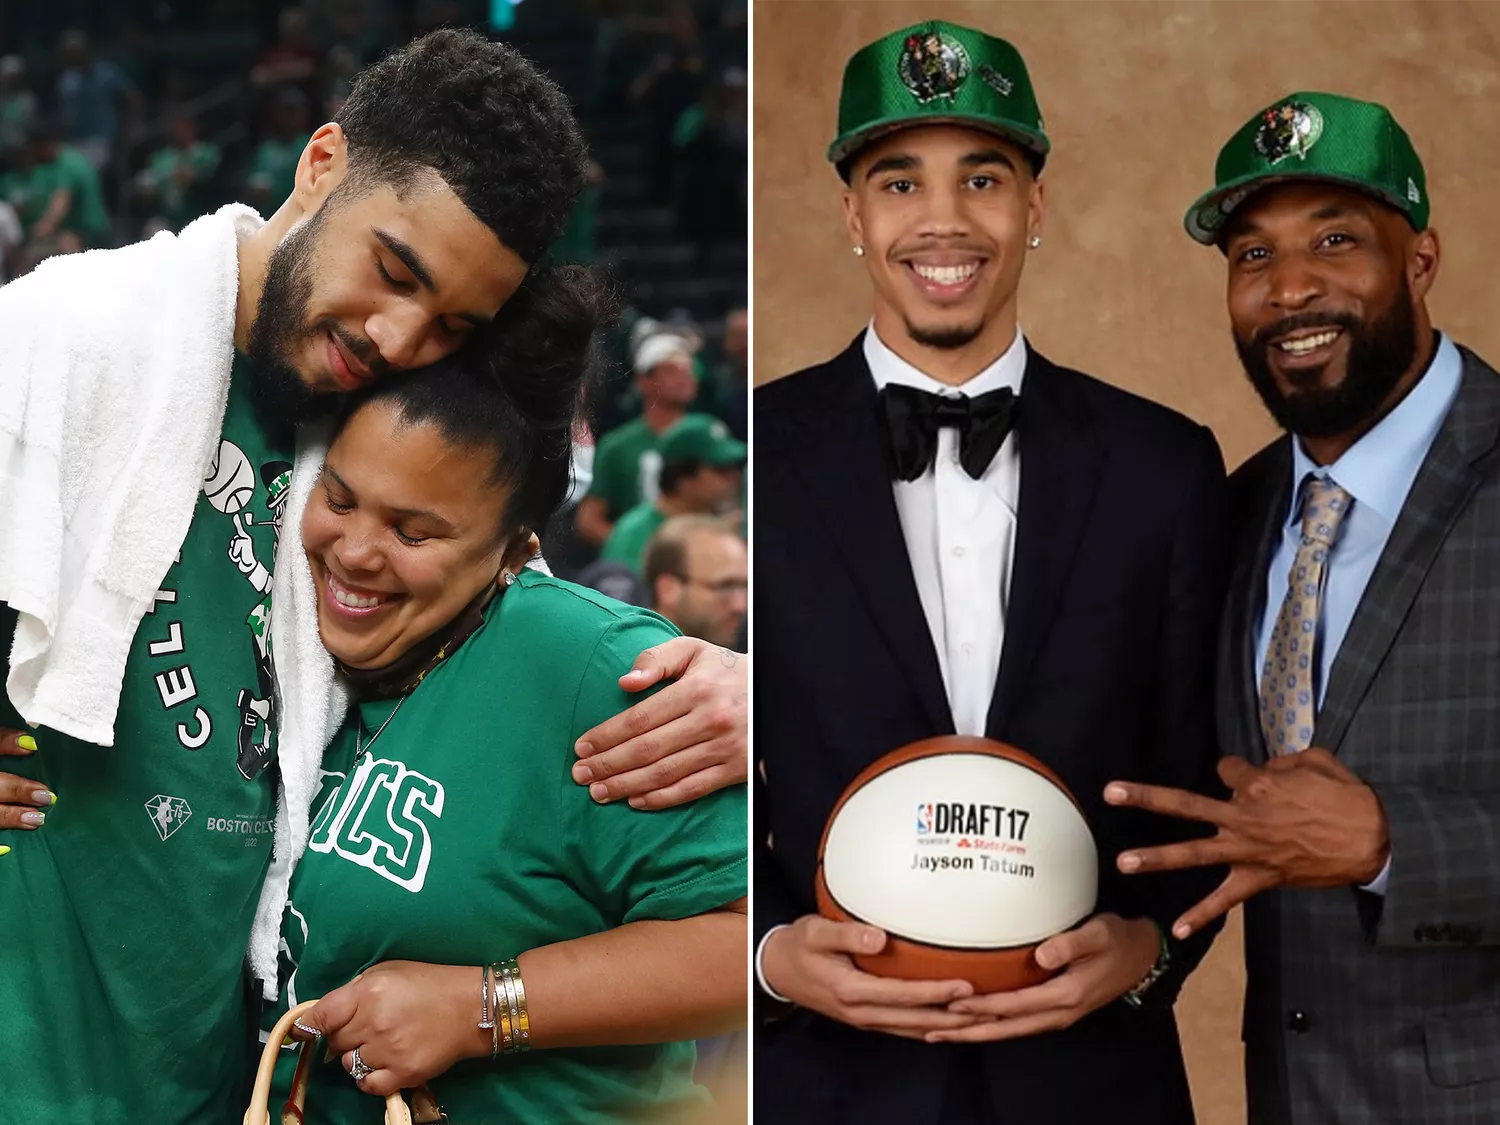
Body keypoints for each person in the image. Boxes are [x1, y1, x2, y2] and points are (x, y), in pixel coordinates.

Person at [0, 29, 744, 1125]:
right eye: (394, 270)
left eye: (451, 325)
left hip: (204, 1073)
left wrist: (744, 680)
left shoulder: (375, 420)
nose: (397, 337)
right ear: (321, 164)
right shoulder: (62, 341)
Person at [754, 22, 1229, 1125]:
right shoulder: (755, 452)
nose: (945, 221)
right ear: (853, 217)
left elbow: (1207, 770)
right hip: (827, 1086)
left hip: (1095, 1084)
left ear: (1035, 207)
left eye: (984, 177)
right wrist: (771, 956)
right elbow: (695, 776)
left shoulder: (1165, 464)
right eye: (899, 180)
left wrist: (1151, 949)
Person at [266, 268, 746, 1123]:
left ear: (515, 546)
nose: (354, 552)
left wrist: (485, 1007)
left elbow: (746, 944)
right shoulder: (289, 634)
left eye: (414, 530)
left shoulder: (595, 665)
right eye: (338, 499)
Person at [1104, 92, 1500, 1125]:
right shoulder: (1235, 512)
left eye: (1336, 241)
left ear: (1418, 260)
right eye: (1251, 255)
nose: (1290, 290)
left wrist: (1391, 845)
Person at [574, 332, 699, 546]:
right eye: (671, 370)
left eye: (688, 369)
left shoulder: (707, 437)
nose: (683, 377)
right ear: (644, 381)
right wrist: (632, 547)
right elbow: (589, 520)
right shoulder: (617, 445)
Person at [602, 414, 745, 572]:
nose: (734, 478)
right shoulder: (635, 536)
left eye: (735, 468)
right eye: (722, 470)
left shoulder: (732, 527)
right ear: (684, 479)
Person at [644, 514, 748, 649]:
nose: (740, 606)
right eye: (724, 587)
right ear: (667, 589)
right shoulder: (629, 663)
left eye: (745, 587)